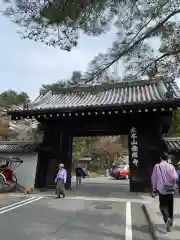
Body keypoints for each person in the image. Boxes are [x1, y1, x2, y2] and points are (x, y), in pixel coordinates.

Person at [151, 153, 178, 232]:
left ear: (160, 158)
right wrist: (173, 184)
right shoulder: (171, 166)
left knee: (163, 206)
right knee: (170, 206)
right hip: (170, 189)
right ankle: (170, 223)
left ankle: (167, 219)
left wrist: (154, 188)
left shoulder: (157, 166)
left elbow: (154, 178)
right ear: (167, 158)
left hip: (162, 189)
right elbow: (175, 177)